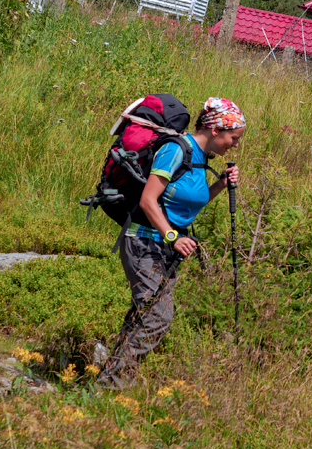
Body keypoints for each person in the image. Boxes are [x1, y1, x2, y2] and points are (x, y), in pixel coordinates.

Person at [98, 97, 246, 390]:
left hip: (164, 249)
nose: (235, 144)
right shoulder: (175, 151)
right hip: (144, 243)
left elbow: (187, 205)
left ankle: (108, 379)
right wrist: (172, 236)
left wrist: (221, 184)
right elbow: (148, 200)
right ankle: (111, 385)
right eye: (234, 137)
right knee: (156, 319)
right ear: (216, 130)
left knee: (144, 316)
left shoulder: (200, 157)